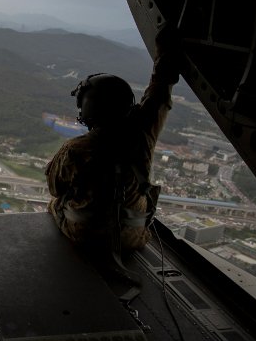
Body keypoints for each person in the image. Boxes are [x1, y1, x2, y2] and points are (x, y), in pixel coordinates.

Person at [45, 26, 181, 254]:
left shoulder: (75, 149)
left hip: (85, 235)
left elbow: (55, 188)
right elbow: (159, 92)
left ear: (87, 110)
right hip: (132, 237)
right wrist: (165, 54)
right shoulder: (144, 132)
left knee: (55, 205)